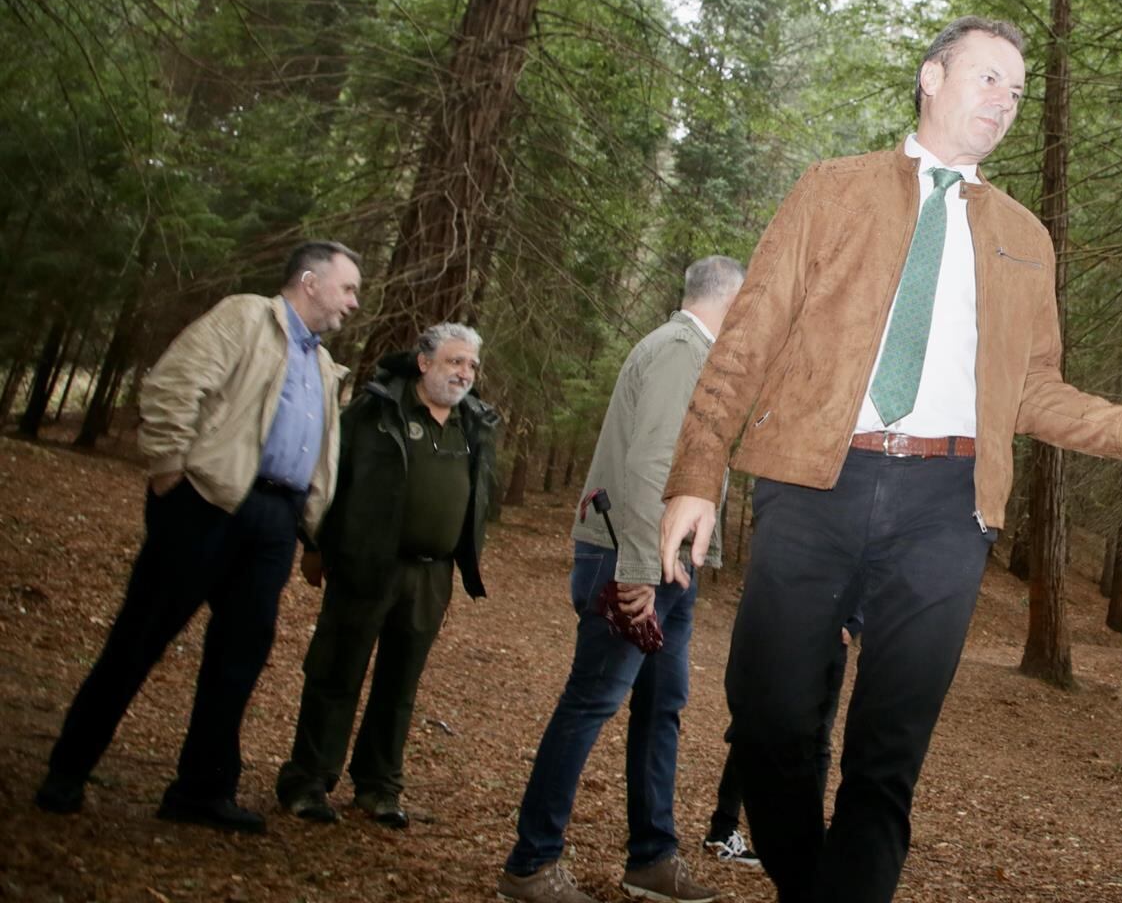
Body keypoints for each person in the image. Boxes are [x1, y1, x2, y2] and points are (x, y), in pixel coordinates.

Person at [656, 16, 1122, 903]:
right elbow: (744, 341)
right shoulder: (831, 190)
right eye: (989, 78)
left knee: (887, 754)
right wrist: (697, 475)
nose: (1005, 102)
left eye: (1018, 92)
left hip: (946, 505)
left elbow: (1033, 389)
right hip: (815, 480)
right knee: (770, 719)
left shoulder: (1022, 236)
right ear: (932, 77)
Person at [35, 240, 362, 832]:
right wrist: (168, 475)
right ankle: (68, 771)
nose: (354, 302)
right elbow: (172, 387)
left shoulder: (320, 362)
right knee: (139, 639)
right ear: (310, 282)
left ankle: (201, 791)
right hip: (207, 505)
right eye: (348, 288)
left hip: (273, 524)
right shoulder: (244, 317)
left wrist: (307, 524)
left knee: (237, 660)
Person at [497, 256, 744, 903]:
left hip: (668, 567)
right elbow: (652, 462)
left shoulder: (698, 357)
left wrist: (685, 561)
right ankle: (531, 864)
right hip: (632, 560)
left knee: (661, 709)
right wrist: (638, 575)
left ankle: (652, 859)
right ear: (731, 300)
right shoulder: (680, 351)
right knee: (591, 704)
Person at [275, 322, 497, 829]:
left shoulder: (475, 423)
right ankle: (307, 781)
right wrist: (314, 544)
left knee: (400, 685)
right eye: (454, 362)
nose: (464, 373)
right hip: (366, 562)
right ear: (424, 362)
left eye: (471, 365)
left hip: (431, 576)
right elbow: (333, 474)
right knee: (337, 673)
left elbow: (480, 494)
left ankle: (378, 787)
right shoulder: (376, 410)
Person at [703, 609, 862, 869]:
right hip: (786, 628)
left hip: (833, 640)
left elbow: (874, 572)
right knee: (756, 726)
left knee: (819, 739)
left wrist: (855, 623)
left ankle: (808, 842)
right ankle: (722, 829)